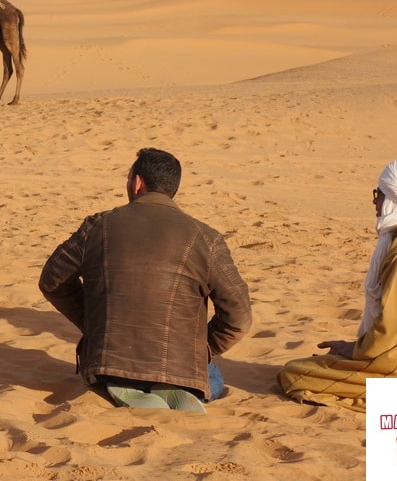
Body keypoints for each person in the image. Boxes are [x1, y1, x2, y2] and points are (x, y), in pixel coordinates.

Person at [39, 148, 253, 412]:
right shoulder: (207, 238)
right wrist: (199, 350)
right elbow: (240, 317)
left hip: (109, 363)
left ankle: (126, 390)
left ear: (137, 182)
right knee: (213, 378)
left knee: (116, 373)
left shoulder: (97, 226)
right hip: (179, 367)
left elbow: (52, 281)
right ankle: (175, 390)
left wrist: (93, 325)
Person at [277, 160, 397, 413]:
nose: (375, 203)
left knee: (295, 373)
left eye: (379, 195)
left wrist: (356, 350)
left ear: (395, 200)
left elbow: (395, 326)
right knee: (326, 363)